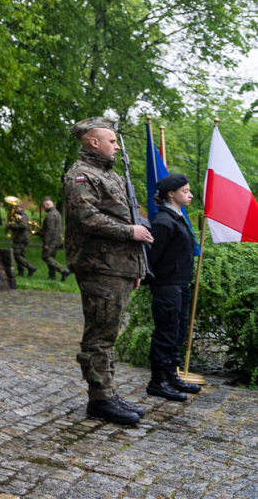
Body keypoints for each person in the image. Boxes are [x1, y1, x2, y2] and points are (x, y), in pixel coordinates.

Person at [63, 117, 153, 426]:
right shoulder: (81, 175)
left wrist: (135, 266)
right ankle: (99, 399)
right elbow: (87, 218)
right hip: (99, 266)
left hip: (118, 267)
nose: (117, 147)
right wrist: (131, 232)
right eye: (112, 141)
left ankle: (107, 392)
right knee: (100, 335)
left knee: (110, 332)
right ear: (93, 142)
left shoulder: (111, 176)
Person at [145, 174, 203, 401]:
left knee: (178, 330)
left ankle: (171, 374)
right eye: (185, 191)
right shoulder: (163, 222)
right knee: (166, 331)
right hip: (167, 285)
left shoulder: (178, 218)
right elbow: (152, 258)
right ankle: (158, 380)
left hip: (180, 284)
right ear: (171, 194)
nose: (190, 194)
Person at [40, 196, 70, 281]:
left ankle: (63, 271)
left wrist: (46, 243)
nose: (43, 208)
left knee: (46, 257)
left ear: (47, 204)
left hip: (51, 240)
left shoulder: (50, 215)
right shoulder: (57, 213)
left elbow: (50, 230)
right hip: (57, 239)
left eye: (43, 206)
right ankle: (52, 276)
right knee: (51, 257)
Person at [7, 200, 37, 277]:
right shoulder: (18, 216)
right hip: (20, 238)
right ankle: (21, 272)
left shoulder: (23, 216)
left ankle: (30, 267)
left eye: (15, 208)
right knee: (21, 254)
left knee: (16, 254)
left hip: (21, 238)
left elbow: (24, 226)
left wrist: (11, 225)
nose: (13, 210)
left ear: (18, 209)